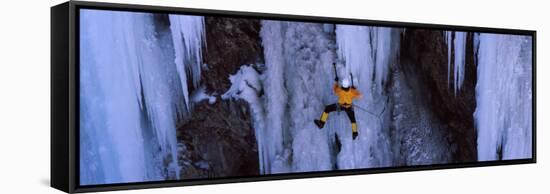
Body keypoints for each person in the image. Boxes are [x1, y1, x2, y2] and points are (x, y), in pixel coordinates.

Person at [314, 69, 362, 140]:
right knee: (352, 119)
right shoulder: (352, 92)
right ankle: (354, 133)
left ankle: (321, 123)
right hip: (349, 107)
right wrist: (354, 89)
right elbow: (359, 95)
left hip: (340, 106)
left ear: (342, 86)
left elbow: (335, 89)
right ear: (348, 86)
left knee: (327, 109)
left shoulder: (340, 91)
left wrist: (336, 82)